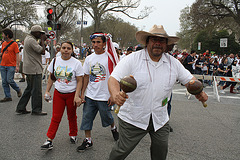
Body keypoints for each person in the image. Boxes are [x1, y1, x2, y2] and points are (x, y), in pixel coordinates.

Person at [108, 25, 208, 160]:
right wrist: (115, 95)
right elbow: (113, 79)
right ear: (147, 42)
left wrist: (199, 91)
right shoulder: (132, 59)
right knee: (121, 151)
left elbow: (190, 80)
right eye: (154, 40)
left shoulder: (174, 63)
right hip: (133, 118)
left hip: (160, 118)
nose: (157, 43)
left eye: (161, 41)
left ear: (166, 45)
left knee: (160, 152)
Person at [76, 32, 119, 152]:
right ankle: (88, 140)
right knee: (86, 118)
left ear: (104, 43)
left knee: (107, 117)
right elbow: (86, 77)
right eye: (94, 42)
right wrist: (82, 93)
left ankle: (113, 127)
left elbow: (115, 77)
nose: (95, 45)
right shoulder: (89, 58)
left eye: (98, 42)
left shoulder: (110, 58)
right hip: (90, 95)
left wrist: (113, 94)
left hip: (104, 96)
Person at [41, 41, 84, 150]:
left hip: (71, 94)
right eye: (64, 48)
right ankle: (49, 139)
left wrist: (77, 95)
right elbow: (51, 78)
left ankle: (73, 134)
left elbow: (80, 80)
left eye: (68, 48)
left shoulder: (76, 63)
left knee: (72, 116)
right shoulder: (55, 61)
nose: (66, 50)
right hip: (58, 93)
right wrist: (47, 91)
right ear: (60, 49)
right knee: (56, 117)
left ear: (72, 50)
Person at [16, 25, 47, 115]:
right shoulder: (31, 40)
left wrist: (41, 40)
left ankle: (20, 107)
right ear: (35, 32)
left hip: (30, 68)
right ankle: (36, 109)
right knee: (36, 90)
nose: (41, 35)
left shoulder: (28, 39)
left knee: (29, 89)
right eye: (40, 33)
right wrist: (43, 40)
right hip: (34, 69)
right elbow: (42, 51)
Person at [0, 28, 22, 102]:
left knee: (9, 80)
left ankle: (18, 89)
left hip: (11, 65)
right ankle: (7, 96)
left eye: (3, 34)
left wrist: (17, 65)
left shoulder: (14, 44)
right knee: (4, 81)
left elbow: (17, 54)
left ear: (7, 35)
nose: (2, 35)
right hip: (3, 64)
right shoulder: (3, 43)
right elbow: (2, 53)